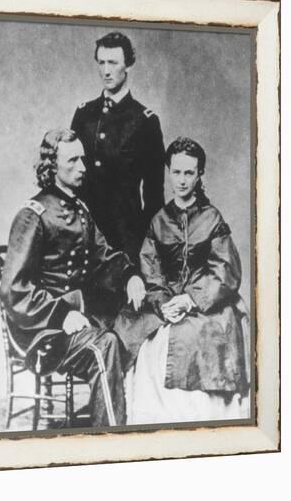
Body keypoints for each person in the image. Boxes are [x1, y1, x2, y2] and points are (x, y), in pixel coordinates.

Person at [0, 128, 146, 427]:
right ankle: (112, 439)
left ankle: (112, 417)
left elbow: (105, 257)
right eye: (73, 160)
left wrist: (131, 275)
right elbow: (15, 290)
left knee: (136, 328)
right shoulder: (32, 215)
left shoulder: (80, 211)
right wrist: (60, 315)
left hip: (76, 320)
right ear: (52, 166)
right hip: (41, 331)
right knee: (103, 346)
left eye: (83, 159)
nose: (83, 167)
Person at [115, 137, 250, 423]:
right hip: (165, 302)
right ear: (168, 171)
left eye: (189, 172)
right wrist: (164, 303)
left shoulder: (212, 218)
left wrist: (191, 299)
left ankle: (201, 419)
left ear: (200, 174)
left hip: (208, 300)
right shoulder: (159, 220)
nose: (182, 180)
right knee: (149, 341)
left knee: (203, 336)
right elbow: (150, 269)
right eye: (176, 172)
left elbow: (226, 270)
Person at [71, 31, 165, 262]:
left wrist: (141, 248)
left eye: (113, 63)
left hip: (125, 238)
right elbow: (69, 172)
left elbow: (154, 196)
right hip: (83, 233)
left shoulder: (145, 121)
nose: (106, 70)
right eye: (101, 62)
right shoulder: (84, 114)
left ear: (128, 66)